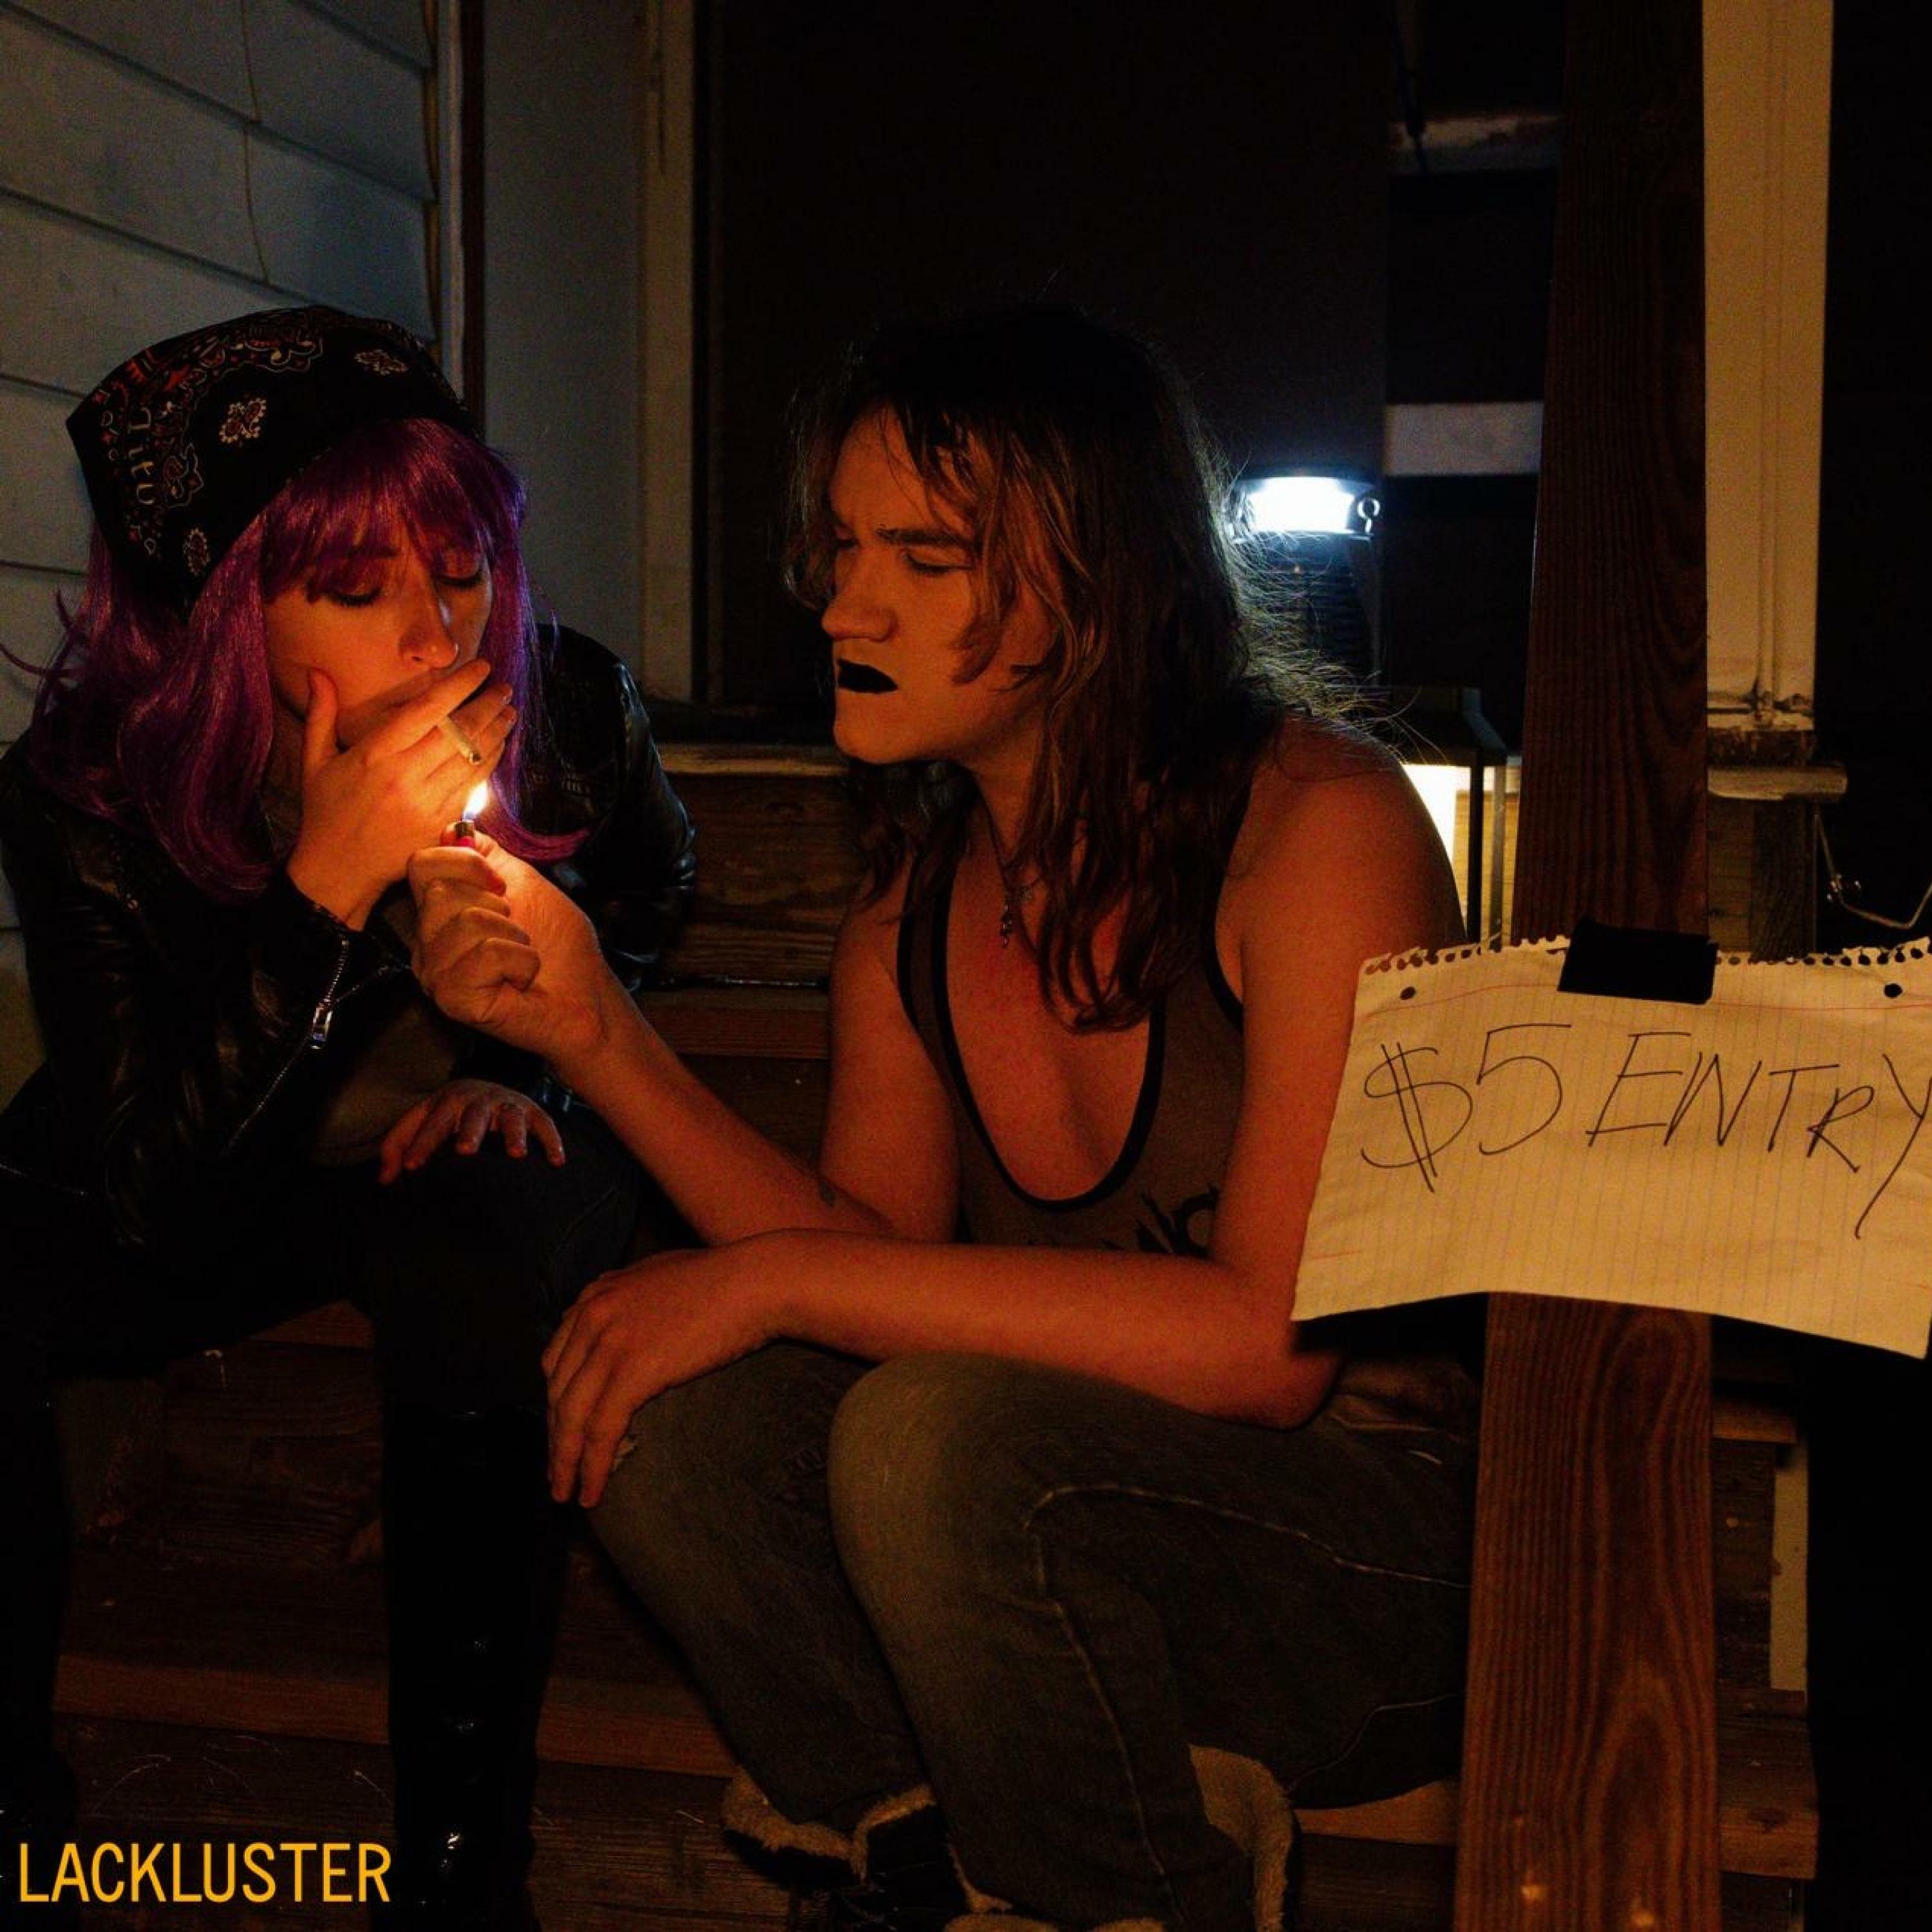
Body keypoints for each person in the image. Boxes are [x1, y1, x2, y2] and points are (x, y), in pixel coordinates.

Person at [410, 307, 1475, 1932]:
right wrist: (592, 1028)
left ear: (1104, 582)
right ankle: (910, 1863)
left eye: (925, 554)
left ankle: (1124, 1904)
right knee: (663, 1412)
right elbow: (871, 1259)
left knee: (930, 1440)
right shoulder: (909, 907)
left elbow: (1266, 1348)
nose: (846, 603)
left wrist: (770, 1279)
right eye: (845, 548)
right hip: (1057, 1555)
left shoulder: (1317, 829)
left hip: (1374, 1565)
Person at [0, 307, 694, 1929]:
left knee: (478, 1247)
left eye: (460, 572)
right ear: (232, 616)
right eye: (357, 590)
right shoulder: (91, 786)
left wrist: (526, 1065)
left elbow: (653, 892)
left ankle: (462, 1873)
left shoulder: (568, 709)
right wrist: (325, 892)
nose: (437, 632)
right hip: (213, 1158)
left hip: (437, 1155)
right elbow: (155, 1195)